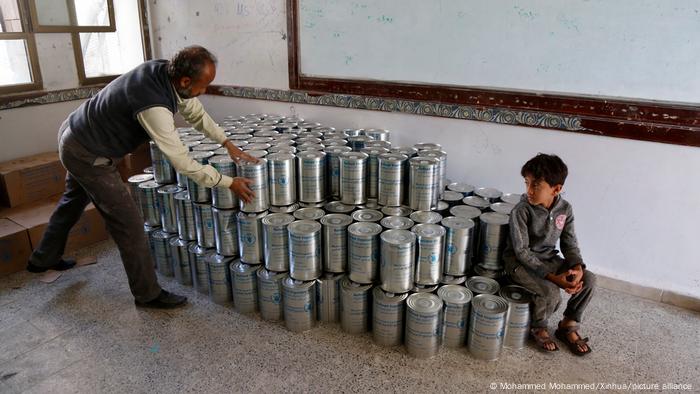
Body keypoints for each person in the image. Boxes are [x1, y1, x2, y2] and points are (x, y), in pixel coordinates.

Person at [26, 46, 257, 309]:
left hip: (77, 132)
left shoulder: (164, 71)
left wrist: (226, 142)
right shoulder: (154, 106)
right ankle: (147, 294)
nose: (203, 91)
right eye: (204, 86)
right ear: (184, 81)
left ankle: (43, 259)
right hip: (87, 152)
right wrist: (228, 183)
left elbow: (195, 112)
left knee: (73, 201)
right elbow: (181, 162)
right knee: (130, 225)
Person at [503, 153, 596, 356]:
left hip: (548, 258)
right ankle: (539, 327)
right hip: (519, 264)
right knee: (551, 292)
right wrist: (555, 279)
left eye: (536, 185)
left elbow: (569, 244)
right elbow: (521, 252)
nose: (528, 190)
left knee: (589, 280)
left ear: (556, 189)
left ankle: (568, 326)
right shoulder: (521, 211)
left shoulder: (565, 209)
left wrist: (578, 267)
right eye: (526, 183)